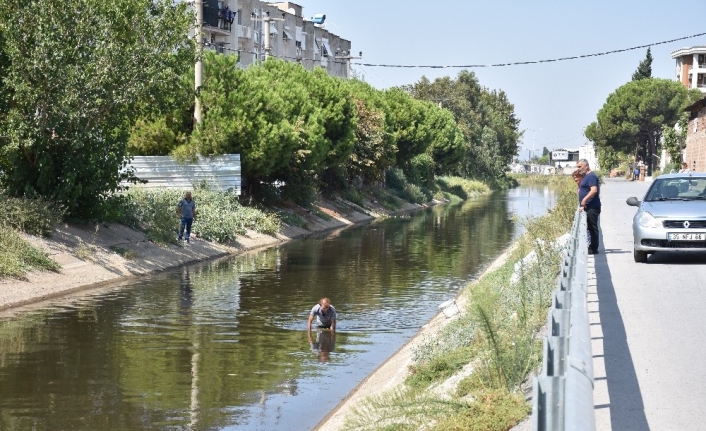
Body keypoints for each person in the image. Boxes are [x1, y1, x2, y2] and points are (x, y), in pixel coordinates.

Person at [576, 159, 601, 255]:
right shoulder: (585, 176)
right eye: (577, 167)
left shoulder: (591, 176)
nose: (578, 169)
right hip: (587, 206)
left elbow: (594, 190)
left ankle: (594, 248)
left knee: (592, 227)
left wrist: (584, 200)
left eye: (580, 166)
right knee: (589, 227)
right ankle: (590, 246)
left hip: (592, 206)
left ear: (586, 166)